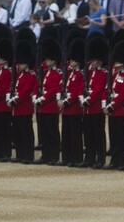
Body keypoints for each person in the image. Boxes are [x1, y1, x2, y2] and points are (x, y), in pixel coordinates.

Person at [33, 38, 63, 165]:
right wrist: (35, 97)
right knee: (44, 132)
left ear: (53, 60)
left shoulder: (58, 73)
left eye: (48, 59)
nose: (45, 61)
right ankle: (45, 154)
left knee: (52, 133)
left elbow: (54, 90)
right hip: (41, 107)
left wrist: (42, 99)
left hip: (50, 107)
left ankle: (54, 155)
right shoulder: (45, 72)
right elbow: (37, 85)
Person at [80, 36, 109, 169]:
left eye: (95, 60)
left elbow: (98, 90)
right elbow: (83, 86)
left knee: (98, 134)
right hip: (86, 109)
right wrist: (82, 98)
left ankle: (100, 159)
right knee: (88, 134)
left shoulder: (103, 73)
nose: (93, 62)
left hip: (96, 108)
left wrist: (88, 100)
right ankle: (90, 157)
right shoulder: (88, 72)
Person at [7, 40, 37, 164]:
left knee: (26, 132)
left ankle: (28, 155)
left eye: (23, 62)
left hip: (24, 108)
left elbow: (25, 92)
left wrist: (14, 100)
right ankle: (20, 154)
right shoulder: (19, 75)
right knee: (17, 132)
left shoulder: (30, 75)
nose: (20, 64)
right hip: (16, 108)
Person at [104, 41, 124, 170]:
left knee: (122, 136)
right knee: (113, 136)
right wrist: (106, 104)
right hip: (112, 110)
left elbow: (123, 94)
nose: (115, 64)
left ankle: (122, 161)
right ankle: (115, 159)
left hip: (120, 110)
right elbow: (108, 90)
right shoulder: (114, 75)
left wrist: (112, 105)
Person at [58, 38, 85, 167]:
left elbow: (76, 92)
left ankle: (76, 157)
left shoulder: (80, 74)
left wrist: (66, 102)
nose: (71, 62)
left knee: (75, 134)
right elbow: (62, 86)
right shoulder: (69, 73)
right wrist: (60, 99)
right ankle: (67, 157)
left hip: (74, 108)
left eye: (73, 60)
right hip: (66, 108)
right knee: (66, 133)